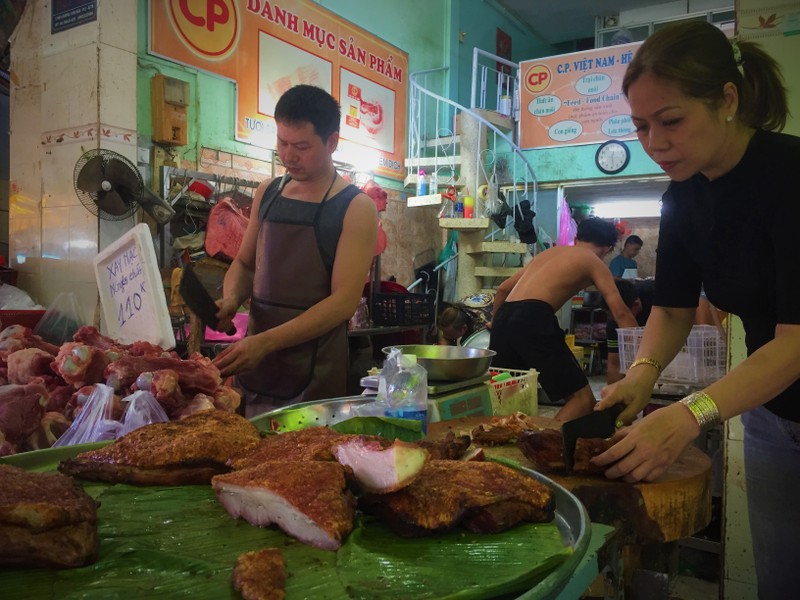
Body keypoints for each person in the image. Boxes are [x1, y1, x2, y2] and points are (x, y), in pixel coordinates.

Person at [591, 21, 800, 598]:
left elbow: (796, 340)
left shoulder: (789, 175)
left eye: (671, 120)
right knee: (781, 581)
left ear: (727, 99)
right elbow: (675, 309)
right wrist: (642, 374)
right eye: (640, 126)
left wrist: (689, 415)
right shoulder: (682, 196)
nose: (654, 142)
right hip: (771, 413)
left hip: (784, 371)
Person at [212, 85, 378, 415]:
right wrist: (231, 299)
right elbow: (245, 265)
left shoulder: (355, 207)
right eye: (282, 143)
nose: (289, 156)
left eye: (301, 146)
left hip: (315, 373)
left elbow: (342, 303)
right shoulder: (268, 192)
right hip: (255, 363)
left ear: (331, 142)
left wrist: (267, 342)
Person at [489, 217, 639, 421]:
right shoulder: (592, 260)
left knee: (508, 396)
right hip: (533, 317)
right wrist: (641, 353)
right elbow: (620, 312)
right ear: (607, 249)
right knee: (583, 401)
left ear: (578, 237)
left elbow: (503, 288)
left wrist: (494, 323)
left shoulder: (548, 254)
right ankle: (542, 445)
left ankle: (502, 445)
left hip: (504, 317)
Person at [603, 278, 654, 384]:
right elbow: (615, 365)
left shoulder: (655, 296)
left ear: (636, 305)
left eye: (622, 317)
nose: (619, 321)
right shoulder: (613, 322)